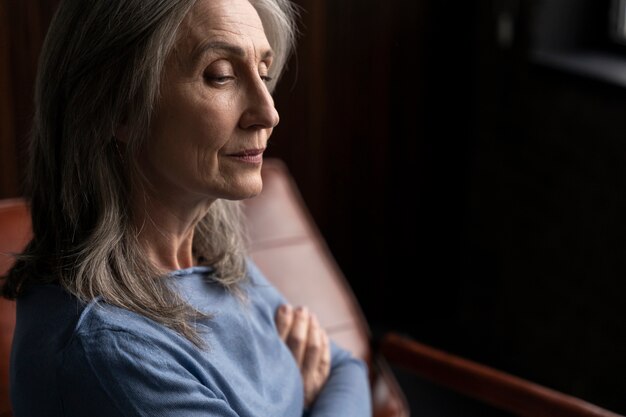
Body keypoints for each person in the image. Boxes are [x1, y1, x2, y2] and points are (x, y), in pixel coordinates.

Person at [0, 0, 372, 415]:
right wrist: (303, 400)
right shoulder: (108, 351)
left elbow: (346, 367)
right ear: (118, 107)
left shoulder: (207, 254)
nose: (268, 113)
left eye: (264, 75)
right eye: (221, 76)